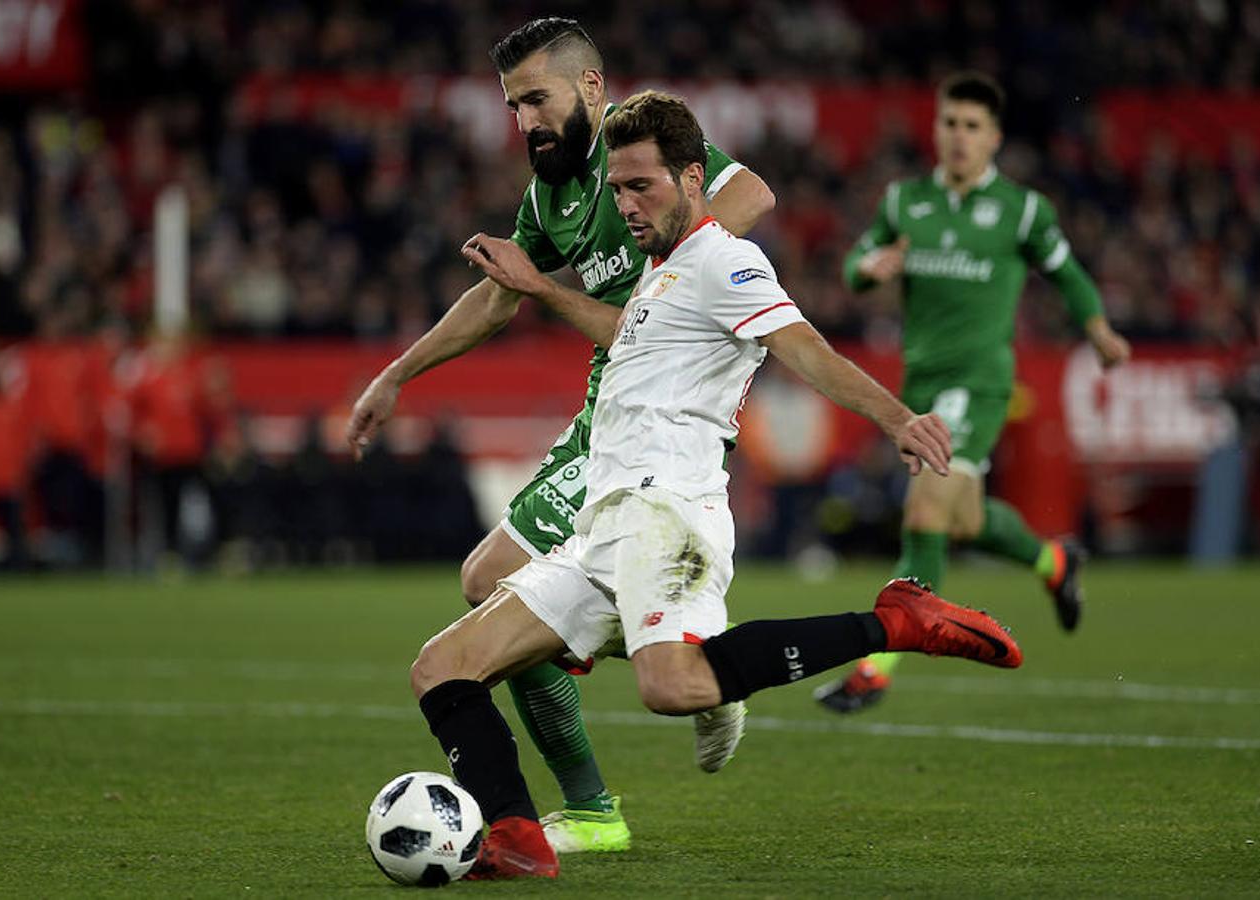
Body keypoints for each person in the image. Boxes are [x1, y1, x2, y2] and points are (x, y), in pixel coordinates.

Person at [413, 89, 1023, 881]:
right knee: (442, 666)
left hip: (668, 514)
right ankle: (517, 837)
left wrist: (898, 417)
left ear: (694, 178)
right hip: (602, 525)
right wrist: (541, 289)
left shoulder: (721, 259)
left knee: (673, 687)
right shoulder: (658, 276)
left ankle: (896, 621)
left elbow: (805, 350)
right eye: (619, 189)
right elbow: (619, 335)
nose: (627, 206)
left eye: (644, 187)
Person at [345, 18, 776, 854]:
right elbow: (501, 294)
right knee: (491, 583)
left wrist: (678, 281)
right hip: (599, 419)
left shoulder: (641, 156)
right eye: (512, 106)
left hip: (657, 425)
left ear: (588, 87)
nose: (525, 121)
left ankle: (599, 795)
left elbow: (750, 193)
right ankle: (685, 671)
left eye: (537, 98)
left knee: (490, 579)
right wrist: (398, 372)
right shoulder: (550, 196)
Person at [814, 72, 1132, 714]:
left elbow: (1067, 274)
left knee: (926, 515)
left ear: (994, 138)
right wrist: (867, 270)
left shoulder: (1021, 209)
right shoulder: (906, 202)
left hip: (979, 383)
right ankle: (1053, 563)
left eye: (971, 127)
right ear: (935, 130)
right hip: (920, 385)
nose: (958, 137)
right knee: (965, 519)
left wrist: (1097, 330)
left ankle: (876, 666)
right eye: (949, 123)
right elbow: (855, 264)